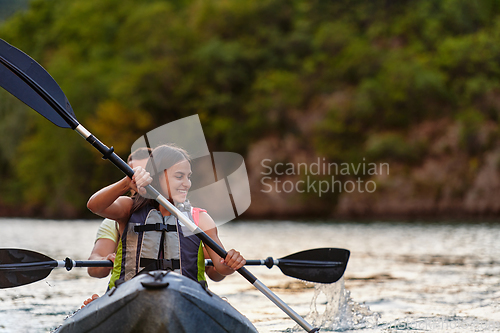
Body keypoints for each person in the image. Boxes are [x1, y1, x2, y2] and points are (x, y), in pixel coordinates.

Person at [86, 144, 246, 288]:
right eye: (179, 176)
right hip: (133, 293)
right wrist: (127, 183)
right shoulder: (129, 208)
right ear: (157, 177)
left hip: (184, 295)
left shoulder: (200, 219)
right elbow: (94, 205)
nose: (187, 183)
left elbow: (220, 267)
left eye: (188, 176)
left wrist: (231, 263)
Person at [87, 147, 152, 281]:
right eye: (134, 173)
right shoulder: (115, 219)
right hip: (129, 287)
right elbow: (93, 269)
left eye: (145, 172)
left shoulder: (185, 215)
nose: (140, 177)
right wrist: (106, 259)